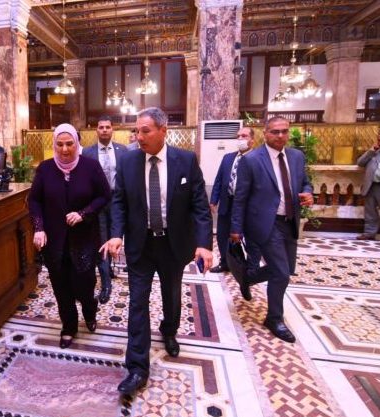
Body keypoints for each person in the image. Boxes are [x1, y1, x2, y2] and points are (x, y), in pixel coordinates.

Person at [101, 107, 213, 396]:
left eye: (145, 131)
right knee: (137, 302)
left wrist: (204, 244)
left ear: (164, 131)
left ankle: (169, 330)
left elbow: (200, 205)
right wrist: (115, 235)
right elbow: (119, 202)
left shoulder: (185, 161)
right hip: (141, 244)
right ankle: (137, 367)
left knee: (171, 294)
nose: (139, 136)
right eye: (137, 131)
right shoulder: (128, 161)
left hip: (173, 244)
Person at [230, 116, 313, 343]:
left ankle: (248, 277)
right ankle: (274, 318)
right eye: (275, 131)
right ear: (265, 133)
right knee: (281, 273)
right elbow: (240, 197)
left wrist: (308, 192)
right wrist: (236, 228)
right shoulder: (252, 160)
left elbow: (305, 182)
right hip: (266, 224)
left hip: (290, 221)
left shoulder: (296, 157)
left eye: (284, 131)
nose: (280, 135)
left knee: (287, 269)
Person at [29, 123, 111, 349]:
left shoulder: (90, 167)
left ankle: (90, 311)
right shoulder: (45, 169)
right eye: (60, 144)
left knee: (84, 284)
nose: (64, 149)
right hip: (55, 240)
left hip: (84, 238)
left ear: (77, 143)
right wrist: (39, 227)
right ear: (54, 144)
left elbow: (104, 196)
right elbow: (35, 200)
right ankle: (69, 326)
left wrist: (83, 213)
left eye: (69, 144)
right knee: (61, 286)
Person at [209, 127, 261, 299]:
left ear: (252, 140)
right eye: (238, 136)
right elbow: (219, 180)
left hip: (248, 207)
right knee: (223, 235)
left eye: (244, 136)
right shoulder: (228, 158)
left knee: (249, 239)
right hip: (227, 202)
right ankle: (225, 263)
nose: (240, 138)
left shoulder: (257, 159)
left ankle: (250, 272)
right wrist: (214, 200)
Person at [82, 115, 128, 303]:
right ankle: (106, 284)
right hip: (98, 202)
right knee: (102, 239)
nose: (104, 130)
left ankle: (109, 268)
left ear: (112, 129)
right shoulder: (87, 152)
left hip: (118, 201)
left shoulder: (123, 151)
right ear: (96, 130)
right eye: (101, 127)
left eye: (107, 127)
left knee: (115, 236)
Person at [355, 130, 380, 240]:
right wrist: (372, 150)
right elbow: (360, 162)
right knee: (370, 211)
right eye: (379, 138)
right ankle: (369, 233)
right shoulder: (374, 152)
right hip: (372, 185)